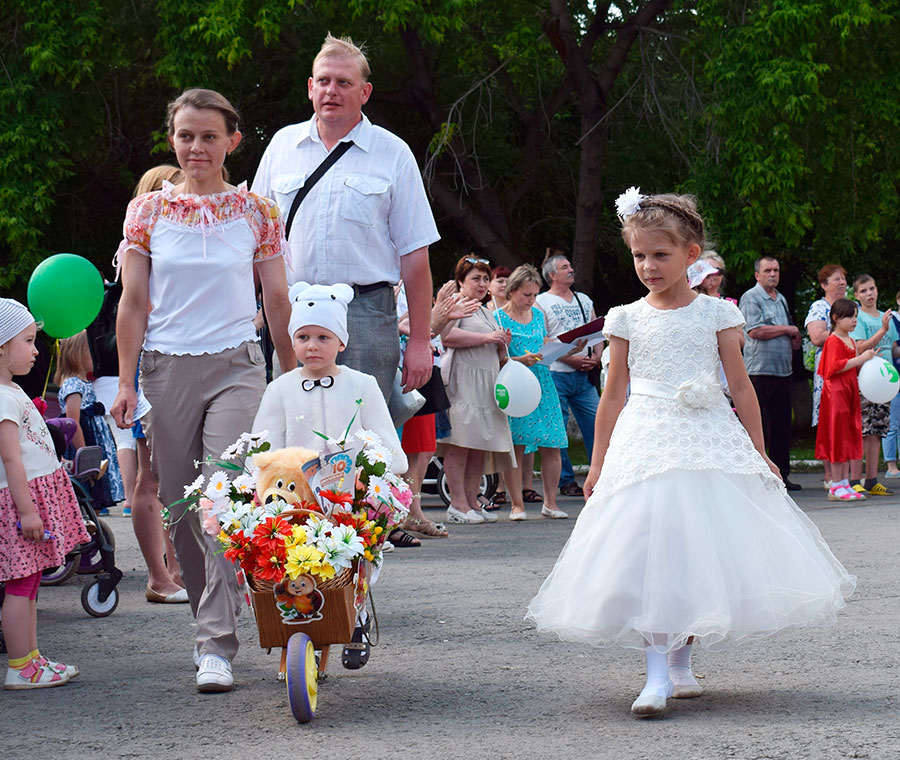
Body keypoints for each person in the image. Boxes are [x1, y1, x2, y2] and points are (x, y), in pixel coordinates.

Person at [526, 189, 855, 718]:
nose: (649, 266)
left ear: (690, 254)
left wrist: (761, 451)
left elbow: (742, 387)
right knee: (649, 545)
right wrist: (600, 463)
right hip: (647, 436)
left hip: (707, 434)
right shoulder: (624, 317)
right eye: (639, 255)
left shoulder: (716, 314)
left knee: (696, 548)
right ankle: (656, 672)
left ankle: (680, 663)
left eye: (661, 254)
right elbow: (612, 396)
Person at [111, 88, 293, 693]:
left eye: (209, 136)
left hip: (237, 366)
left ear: (233, 141)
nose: (196, 147)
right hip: (166, 369)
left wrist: (290, 371)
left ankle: (215, 644)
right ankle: (208, 615)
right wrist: (129, 380)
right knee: (182, 509)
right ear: (173, 140)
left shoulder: (257, 213)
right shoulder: (149, 214)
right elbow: (133, 303)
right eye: (186, 135)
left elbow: (276, 298)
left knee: (222, 499)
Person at [251, 34, 438, 400]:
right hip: (293, 313)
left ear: (365, 92)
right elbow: (254, 241)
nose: (331, 91)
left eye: (343, 83)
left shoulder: (393, 153)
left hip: (366, 314)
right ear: (310, 87)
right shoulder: (281, 147)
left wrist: (419, 341)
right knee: (297, 429)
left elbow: (415, 256)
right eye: (323, 81)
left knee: (363, 438)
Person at [0, 299, 90, 690]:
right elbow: (10, 458)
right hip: (22, 500)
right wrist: (28, 511)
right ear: (1, 346)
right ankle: (21, 665)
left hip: (31, 495)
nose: (37, 350)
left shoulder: (11, 390)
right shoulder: (3, 397)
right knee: (22, 583)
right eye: (28, 341)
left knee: (31, 580)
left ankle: (32, 658)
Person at [126, 165, 186, 603]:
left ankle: (176, 568)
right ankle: (158, 576)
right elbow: (139, 310)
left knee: (176, 477)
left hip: (176, 368)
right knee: (153, 477)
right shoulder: (143, 245)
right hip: (155, 369)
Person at [436, 256, 515, 524]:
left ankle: (472, 501)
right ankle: (457, 503)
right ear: (461, 281)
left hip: (486, 383)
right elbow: (445, 337)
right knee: (460, 444)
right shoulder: (456, 304)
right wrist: (485, 338)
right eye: (475, 279)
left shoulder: (486, 310)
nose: (482, 284)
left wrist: (501, 342)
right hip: (463, 383)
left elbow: (491, 345)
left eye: (485, 279)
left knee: (479, 445)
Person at [494, 265, 569, 520]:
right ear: (512, 292)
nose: (531, 300)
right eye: (526, 295)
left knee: (552, 442)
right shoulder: (498, 318)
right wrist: (518, 359)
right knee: (515, 443)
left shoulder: (538, 315)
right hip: (515, 383)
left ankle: (551, 503)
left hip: (542, 382)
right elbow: (494, 359)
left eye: (535, 295)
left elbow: (544, 345)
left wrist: (568, 347)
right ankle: (517, 504)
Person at [535, 252, 602, 497]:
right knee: (558, 429)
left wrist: (596, 355)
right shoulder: (541, 302)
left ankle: (602, 475)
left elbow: (596, 327)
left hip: (584, 375)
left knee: (597, 423)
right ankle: (566, 481)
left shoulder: (583, 299)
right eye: (565, 267)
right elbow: (542, 338)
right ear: (552, 275)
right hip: (557, 373)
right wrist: (570, 357)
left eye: (570, 266)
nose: (571, 269)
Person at [738, 256, 802, 490]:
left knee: (782, 426)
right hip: (759, 371)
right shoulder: (751, 297)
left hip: (783, 371)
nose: (773, 274)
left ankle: (782, 475)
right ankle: (759, 476)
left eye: (776, 270)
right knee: (760, 425)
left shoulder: (781, 298)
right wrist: (788, 329)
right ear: (757, 275)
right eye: (767, 271)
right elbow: (754, 331)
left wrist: (793, 337)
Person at [55, 331, 124, 513]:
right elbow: (72, 422)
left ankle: (92, 517)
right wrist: (83, 452)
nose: (94, 356)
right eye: (89, 351)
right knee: (86, 484)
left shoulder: (83, 382)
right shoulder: (74, 385)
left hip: (93, 438)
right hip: (84, 441)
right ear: (77, 355)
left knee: (95, 487)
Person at [815, 298, 877, 501]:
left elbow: (853, 366)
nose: (854, 320)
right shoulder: (833, 340)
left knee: (848, 435)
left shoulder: (850, 340)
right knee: (837, 436)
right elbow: (835, 367)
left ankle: (844, 482)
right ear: (835, 318)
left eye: (855, 316)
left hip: (850, 391)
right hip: (837, 394)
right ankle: (835, 484)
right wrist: (862, 358)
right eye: (849, 316)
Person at [848, 274, 896, 496]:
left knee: (877, 431)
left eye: (872, 288)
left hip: (884, 383)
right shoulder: (859, 319)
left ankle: (872, 479)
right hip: (865, 381)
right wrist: (882, 331)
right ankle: (854, 478)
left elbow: (893, 349)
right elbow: (860, 348)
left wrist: (886, 330)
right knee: (862, 430)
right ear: (856, 295)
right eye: (864, 290)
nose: (870, 293)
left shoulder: (885, 318)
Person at [805, 264, 848, 489]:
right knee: (828, 423)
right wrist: (841, 328)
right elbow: (816, 336)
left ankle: (845, 477)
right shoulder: (819, 307)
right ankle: (830, 477)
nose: (842, 283)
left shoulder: (851, 306)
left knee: (845, 423)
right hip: (829, 372)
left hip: (849, 371)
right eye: (836, 279)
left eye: (843, 279)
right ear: (824, 285)